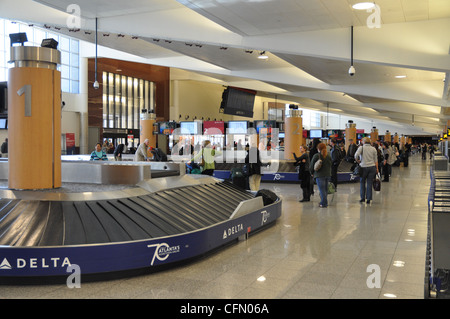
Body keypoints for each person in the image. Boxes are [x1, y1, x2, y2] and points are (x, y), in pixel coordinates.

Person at [354, 137, 378, 204]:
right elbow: (376, 160)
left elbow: (356, 155)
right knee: (369, 183)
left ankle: (362, 198)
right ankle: (369, 199)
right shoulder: (373, 149)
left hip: (363, 167)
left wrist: (358, 161)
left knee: (362, 182)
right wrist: (377, 168)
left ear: (363, 142)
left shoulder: (361, 148)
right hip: (372, 167)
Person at [310, 142, 332, 208]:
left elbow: (312, 166)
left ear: (318, 148)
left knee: (322, 190)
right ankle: (323, 201)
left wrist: (311, 173)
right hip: (328, 175)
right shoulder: (328, 155)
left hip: (319, 175)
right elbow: (330, 164)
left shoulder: (316, 156)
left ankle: (324, 203)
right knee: (325, 189)